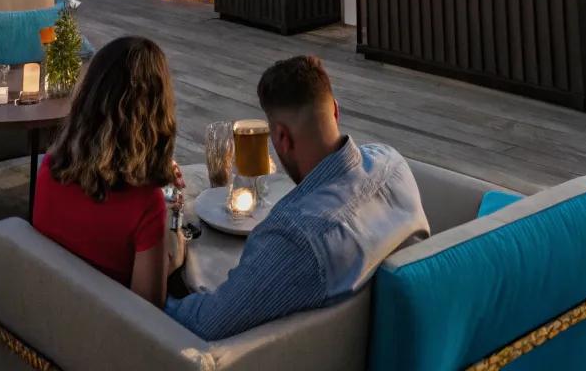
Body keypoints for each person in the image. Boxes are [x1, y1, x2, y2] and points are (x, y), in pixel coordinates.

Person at [166, 55, 428, 340]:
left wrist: (153, 292)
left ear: (281, 137)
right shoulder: (391, 163)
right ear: (336, 112)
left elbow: (205, 324)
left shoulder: (298, 237)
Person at [32, 37, 180, 305]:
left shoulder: (49, 169)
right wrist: (175, 252)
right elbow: (147, 313)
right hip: (105, 333)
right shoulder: (145, 204)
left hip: (51, 314)